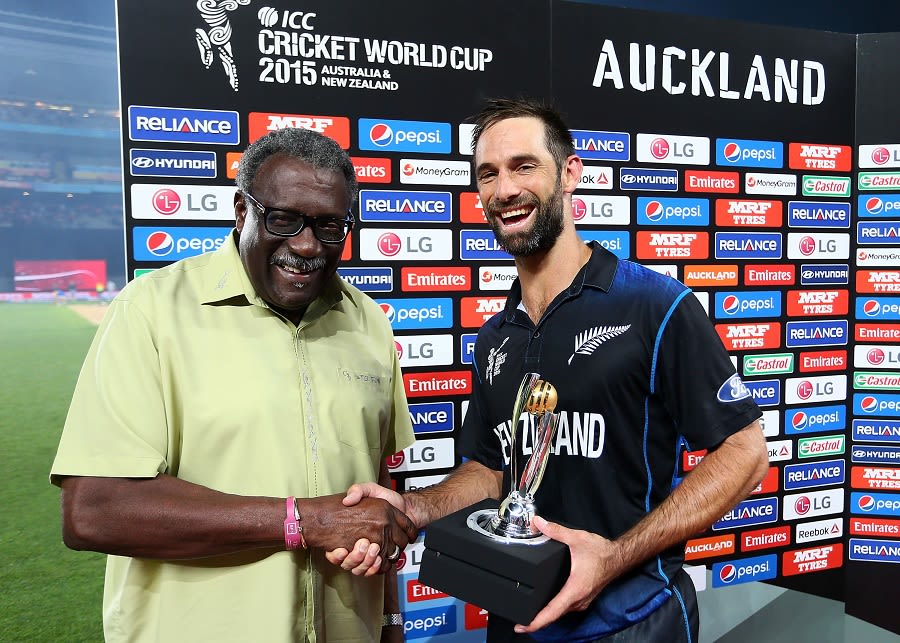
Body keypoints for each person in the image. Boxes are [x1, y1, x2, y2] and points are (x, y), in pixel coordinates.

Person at [329, 98, 770, 642]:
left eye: (523, 166)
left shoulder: (655, 306)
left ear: (569, 173)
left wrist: (615, 556)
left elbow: (746, 454)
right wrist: (413, 509)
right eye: (487, 174)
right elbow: (491, 470)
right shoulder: (496, 336)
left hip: (632, 622)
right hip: (517, 616)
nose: (504, 189)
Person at [50, 127, 418, 643]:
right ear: (242, 211)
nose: (307, 244)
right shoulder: (151, 311)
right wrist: (303, 521)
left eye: (330, 226)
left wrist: (390, 620)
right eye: (284, 218)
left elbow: (375, 499)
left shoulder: (368, 322)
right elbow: (93, 511)